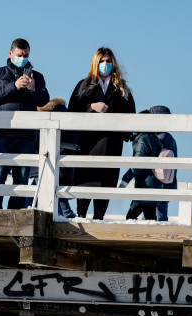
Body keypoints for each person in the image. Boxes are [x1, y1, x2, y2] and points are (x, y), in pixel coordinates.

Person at [68, 47, 136, 221]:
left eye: (108, 61)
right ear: (95, 63)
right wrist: (91, 107)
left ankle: (99, 217)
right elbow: (72, 110)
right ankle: (81, 215)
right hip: (89, 143)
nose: (105, 64)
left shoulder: (122, 88)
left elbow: (131, 114)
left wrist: (127, 134)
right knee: (85, 179)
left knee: (107, 180)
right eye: (102, 61)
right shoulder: (83, 85)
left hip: (112, 142)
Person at [0, 38, 49, 210]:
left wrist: (33, 87)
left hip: (27, 134)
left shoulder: (37, 76)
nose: (23, 58)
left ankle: (14, 214)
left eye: (26, 55)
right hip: (3, 132)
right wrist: (14, 86)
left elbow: (44, 101)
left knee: (21, 179)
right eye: (20, 55)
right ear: (10, 53)